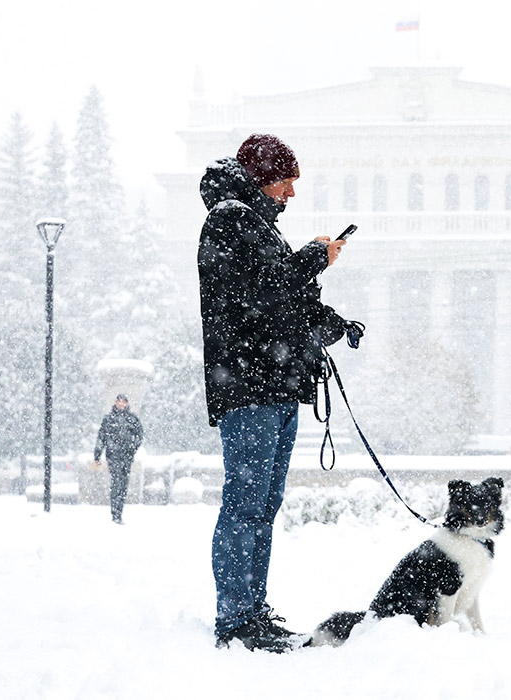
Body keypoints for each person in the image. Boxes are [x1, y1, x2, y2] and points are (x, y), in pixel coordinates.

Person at [197, 133, 362, 652]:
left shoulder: (255, 226)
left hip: (273, 386)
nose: (292, 192)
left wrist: (331, 324)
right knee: (245, 504)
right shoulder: (231, 220)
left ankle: (253, 611)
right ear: (263, 176)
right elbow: (264, 295)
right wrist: (315, 256)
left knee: (262, 506)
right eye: (286, 180)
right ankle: (236, 620)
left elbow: (283, 298)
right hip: (248, 386)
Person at [92, 394, 143, 524]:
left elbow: (139, 436)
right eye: (119, 401)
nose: (121, 404)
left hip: (126, 457)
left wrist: (132, 448)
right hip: (113, 456)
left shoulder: (132, 419)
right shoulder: (109, 419)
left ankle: (119, 511)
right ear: (115, 403)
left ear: (126, 403)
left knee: (123, 485)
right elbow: (101, 438)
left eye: (123, 402)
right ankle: (115, 513)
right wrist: (97, 455)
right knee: (116, 483)